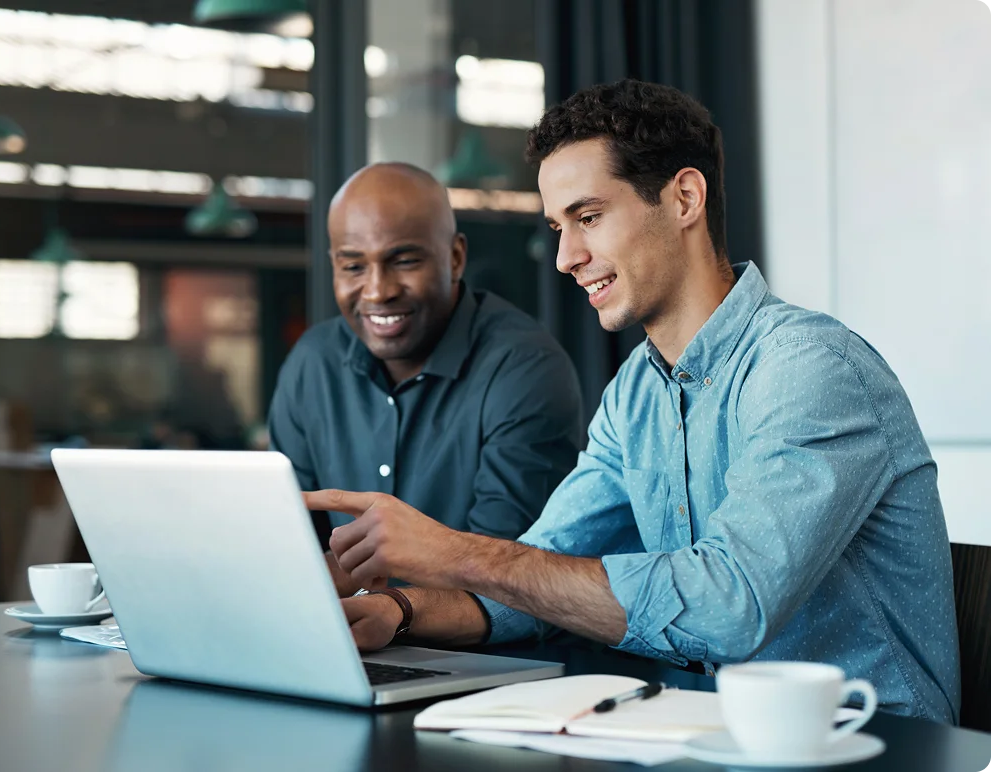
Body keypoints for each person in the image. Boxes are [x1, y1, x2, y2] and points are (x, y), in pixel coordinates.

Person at [305, 81, 961, 723]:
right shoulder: (635, 395)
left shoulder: (809, 369)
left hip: (870, 744)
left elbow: (729, 608)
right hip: (707, 735)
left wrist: (456, 551)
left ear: (683, 198)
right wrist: (402, 612)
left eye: (588, 217)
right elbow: (536, 582)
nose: (566, 257)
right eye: (558, 227)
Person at [268, 162, 584, 598]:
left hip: (495, 660)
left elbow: (508, 574)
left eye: (403, 261)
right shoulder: (313, 363)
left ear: (455, 258)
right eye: (353, 267)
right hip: (348, 645)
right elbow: (283, 543)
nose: (377, 291)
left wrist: (391, 613)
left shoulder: (523, 367)